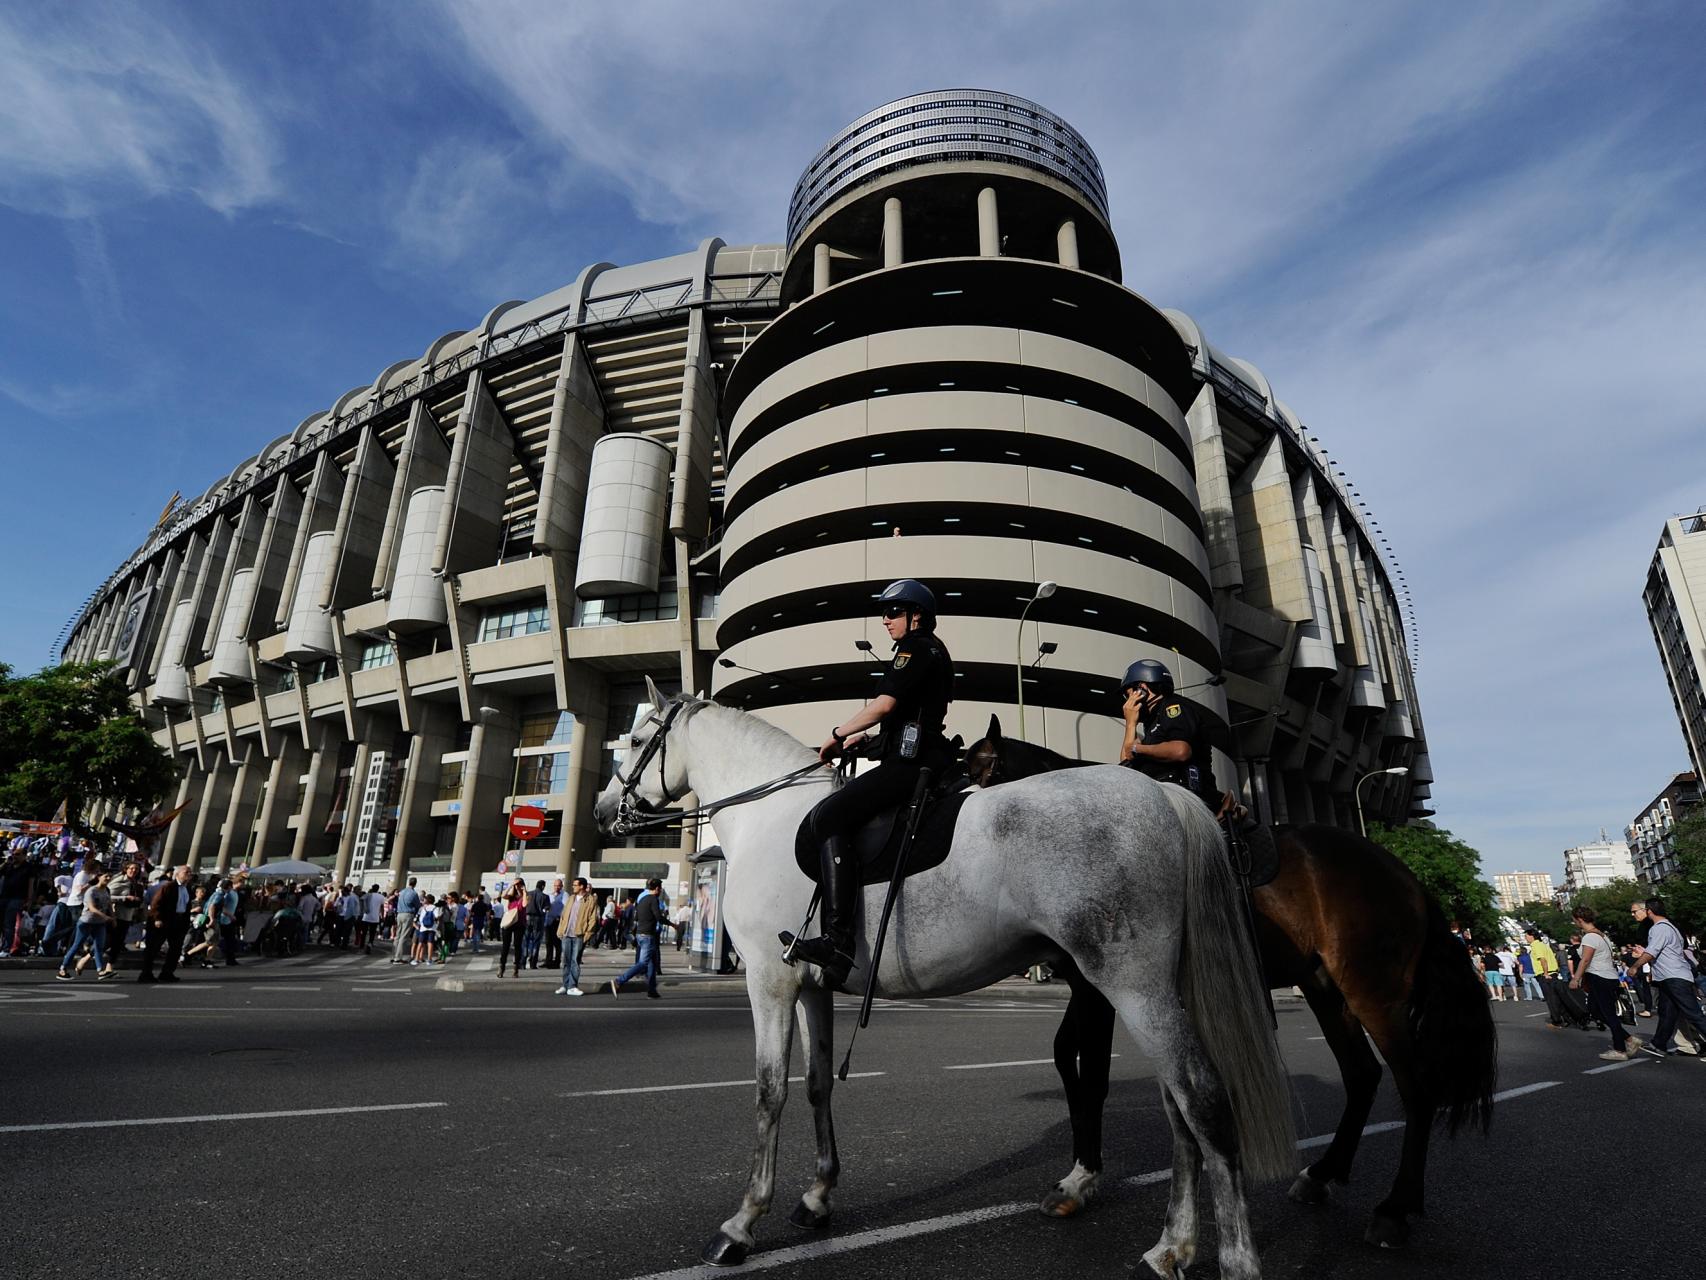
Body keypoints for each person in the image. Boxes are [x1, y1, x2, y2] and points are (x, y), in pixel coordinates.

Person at [789, 579, 955, 987]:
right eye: (885, 612)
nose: (885, 619)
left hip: (909, 766)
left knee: (827, 817)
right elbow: (915, 717)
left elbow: (884, 706)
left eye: (893, 612)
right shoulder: (935, 651)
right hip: (916, 755)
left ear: (917, 616)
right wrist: (868, 740)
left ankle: (837, 939)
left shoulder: (915, 647)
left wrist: (839, 732)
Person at [1117, 660, 1223, 812]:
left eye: (1129, 695)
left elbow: (1181, 750)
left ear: (1142, 689)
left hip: (1189, 798)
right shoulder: (1152, 722)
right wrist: (1130, 723)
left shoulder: (1174, 707)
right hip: (1164, 798)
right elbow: (1126, 765)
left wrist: (1138, 749)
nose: (1128, 702)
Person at [1626, 898, 1706, 1061]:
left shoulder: (1659, 928)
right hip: (1671, 976)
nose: (1633, 914)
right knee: (1667, 1012)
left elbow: (1652, 951)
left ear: (1649, 911)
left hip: (1674, 977)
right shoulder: (1671, 927)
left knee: (1693, 1014)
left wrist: (1635, 966)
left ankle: (1663, 1043)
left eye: (1636, 911)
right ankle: (1659, 1044)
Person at [1570, 907, 1643, 1061]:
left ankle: (1620, 1049)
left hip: (1600, 977)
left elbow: (1586, 959)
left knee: (1608, 1013)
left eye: (1574, 919)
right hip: (1607, 976)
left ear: (1579, 919)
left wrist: (1576, 978)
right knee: (1595, 1011)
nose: (1574, 922)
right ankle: (1629, 1039)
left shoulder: (1590, 937)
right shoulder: (1602, 935)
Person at [609, 877, 667, 998]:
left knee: (651, 963)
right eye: (660, 888)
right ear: (657, 889)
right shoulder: (653, 899)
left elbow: (636, 917)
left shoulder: (642, 898)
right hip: (648, 936)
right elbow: (658, 917)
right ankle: (619, 981)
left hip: (640, 934)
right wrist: (672, 924)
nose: (660, 890)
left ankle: (652, 990)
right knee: (643, 963)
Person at [139, 866, 194, 984]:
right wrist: (157, 918)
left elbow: (186, 906)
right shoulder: (168, 886)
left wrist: (185, 922)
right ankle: (146, 973)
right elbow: (156, 903)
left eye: (190, 872)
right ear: (177, 874)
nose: (189, 874)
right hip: (163, 921)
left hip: (179, 922)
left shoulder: (188, 888)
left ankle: (167, 973)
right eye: (186, 872)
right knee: (153, 948)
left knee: (176, 949)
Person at [57, 871, 116, 980]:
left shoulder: (106, 890)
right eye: (105, 876)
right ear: (99, 877)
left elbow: (109, 904)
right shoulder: (91, 891)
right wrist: (105, 916)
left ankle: (100, 971)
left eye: (110, 876)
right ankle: (63, 969)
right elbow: (91, 908)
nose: (108, 878)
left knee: (99, 946)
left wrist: (113, 918)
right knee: (76, 945)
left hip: (99, 923)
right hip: (86, 922)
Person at [555, 877, 598, 996]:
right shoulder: (571, 898)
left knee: (575, 961)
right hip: (566, 934)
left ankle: (572, 986)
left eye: (575, 885)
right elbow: (563, 915)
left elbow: (593, 919)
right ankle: (565, 985)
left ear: (582, 886)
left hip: (579, 935)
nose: (573, 886)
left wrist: (588, 934)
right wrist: (560, 930)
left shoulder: (590, 900)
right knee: (566, 961)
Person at [498, 877, 527, 977]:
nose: (517, 886)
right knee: (505, 946)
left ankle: (516, 968)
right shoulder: (511, 896)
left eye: (519, 884)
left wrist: (524, 891)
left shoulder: (526, 896)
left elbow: (525, 904)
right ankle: (502, 967)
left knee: (517, 946)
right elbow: (503, 895)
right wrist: (511, 885)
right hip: (509, 923)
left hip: (520, 923)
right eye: (516, 884)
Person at [392, 877, 421, 964]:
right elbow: (417, 905)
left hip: (399, 914)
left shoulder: (401, 892)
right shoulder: (414, 894)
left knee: (398, 935)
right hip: (408, 914)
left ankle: (394, 955)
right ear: (415, 883)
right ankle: (398, 957)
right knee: (404, 936)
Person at [544, 878, 566, 968]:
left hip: (557, 921)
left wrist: (561, 917)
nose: (557, 887)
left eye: (558, 885)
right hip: (548, 921)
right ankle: (548, 961)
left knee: (557, 942)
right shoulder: (550, 895)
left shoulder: (564, 895)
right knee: (548, 942)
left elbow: (566, 907)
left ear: (561, 886)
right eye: (555, 885)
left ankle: (557, 962)